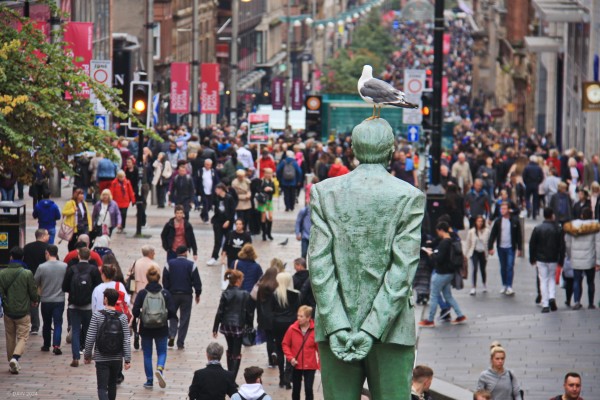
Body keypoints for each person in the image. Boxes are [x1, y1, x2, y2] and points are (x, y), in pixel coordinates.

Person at [308, 120, 425, 400]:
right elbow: (402, 271)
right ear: (391, 151)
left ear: (353, 150)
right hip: (393, 329)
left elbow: (319, 265)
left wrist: (336, 324)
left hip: (335, 324)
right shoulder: (408, 196)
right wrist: (372, 329)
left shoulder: (324, 192)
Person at [84, 288, 132, 400]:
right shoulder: (122, 317)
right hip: (116, 358)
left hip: (101, 357)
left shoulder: (97, 316)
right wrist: (127, 359)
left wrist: (87, 355)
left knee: (101, 387)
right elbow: (126, 339)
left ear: (105, 299)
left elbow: (90, 337)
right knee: (112, 385)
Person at [132, 266, 175, 389]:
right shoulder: (165, 293)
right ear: (159, 278)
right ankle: (160, 369)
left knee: (147, 354)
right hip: (161, 327)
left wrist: (141, 315)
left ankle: (149, 380)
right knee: (162, 352)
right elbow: (172, 311)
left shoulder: (142, 293)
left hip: (146, 328)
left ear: (147, 278)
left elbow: (135, 311)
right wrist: (164, 317)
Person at [419, 221, 467, 327]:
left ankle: (430, 320)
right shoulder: (451, 240)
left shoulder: (444, 243)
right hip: (450, 273)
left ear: (441, 230)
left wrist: (430, 254)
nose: (437, 234)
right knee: (448, 296)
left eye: (438, 231)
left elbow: (439, 259)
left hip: (441, 273)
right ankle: (460, 315)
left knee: (434, 295)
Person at [0, 247, 40, 374]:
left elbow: (1, 292)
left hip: (8, 311)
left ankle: (11, 360)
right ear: (22, 258)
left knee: (10, 336)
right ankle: (15, 358)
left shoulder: (2, 273)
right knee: (23, 336)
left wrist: (5, 303)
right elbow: (33, 291)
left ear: (11, 257)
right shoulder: (27, 273)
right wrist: (35, 300)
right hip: (23, 311)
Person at [62, 247, 102, 367]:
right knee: (89, 330)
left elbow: (64, 287)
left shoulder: (72, 269)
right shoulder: (93, 270)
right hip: (88, 305)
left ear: (78, 256)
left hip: (74, 305)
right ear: (89, 257)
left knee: (75, 329)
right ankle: (87, 354)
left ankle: (75, 356)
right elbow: (98, 287)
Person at [213, 269, 253, 380]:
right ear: (238, 280)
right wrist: (250, 326)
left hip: (226, 325)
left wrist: (215, 327)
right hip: (238, 325)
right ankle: (232, 377)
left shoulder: (226, 293)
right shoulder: (245, 294)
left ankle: (229, 374)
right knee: (236, 352)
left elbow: (220, 311)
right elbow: (249, 312)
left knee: (230, 349)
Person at [163, 245, 202, 349]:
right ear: (185, 253)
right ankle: (180, 342)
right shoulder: (191, 265)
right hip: (186, 295)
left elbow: (165, 280)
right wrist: (198, 294)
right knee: (185, 317)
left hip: (172, 295)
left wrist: (166, 293)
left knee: (172, 316)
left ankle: (171, 334)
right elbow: (197, 281)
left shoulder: (169, 264)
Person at [563, 207, 600, 310]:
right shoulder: (595, 227)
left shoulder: (572, 226)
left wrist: (570, 255)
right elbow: (598, 245)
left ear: (581, 215)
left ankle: (576, 301)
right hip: (590, 259)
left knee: (576, 281)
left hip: (576, 259)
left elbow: (568, 243)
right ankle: (591, 303)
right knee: (590, 282)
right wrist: (598, 261)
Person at [529, 207, 564, 313]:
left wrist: (532, 258)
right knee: (551, 278)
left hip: (541, 258)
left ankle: (545, 303)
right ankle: (552, 297)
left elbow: (532, 244)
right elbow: (562, 246)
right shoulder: (558, 229)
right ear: (552, 215)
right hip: (553, 258)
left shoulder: (538, 228)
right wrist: (561, 260)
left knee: (543, 279)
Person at [34, 244, 66, 355]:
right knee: (58, 323)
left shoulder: (42, 267)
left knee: (46, 323)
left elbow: (35, 282)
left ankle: (46, 345)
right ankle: (56, 345)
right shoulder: (64, 266)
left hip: (46, 300)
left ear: (47, 253)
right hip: (59, 299)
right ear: (56, 253)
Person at [282, 305, 319, 400]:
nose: (298, 318)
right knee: (296, 390)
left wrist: (320, 364)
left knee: (309, 389)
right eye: (298, 315)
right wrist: (290, 358)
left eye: (301, 316)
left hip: (310, 365)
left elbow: (319, 349)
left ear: (308, 318)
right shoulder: (292, 329)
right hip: (296, 365)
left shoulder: (315, 330)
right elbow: (285, 344)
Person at [270, 272, 300, 388]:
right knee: (290, 351)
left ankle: (281, 377)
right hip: (291, 324)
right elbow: (298, 310)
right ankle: (288, 377)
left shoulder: (274, 295)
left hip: (277, 324)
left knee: (280, 350)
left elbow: (271, 310)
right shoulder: (296, 295)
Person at [488, 202, 523, 296]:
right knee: (503, 267)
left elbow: (519, 236)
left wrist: (520, 248)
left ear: (508, 210)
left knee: (510, 266)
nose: (502, 211)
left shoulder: (514, 221)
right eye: (501, 209)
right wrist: (490, 247)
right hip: (501, 247)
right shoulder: (498, 221)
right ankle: (504, 284)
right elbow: (493, 235)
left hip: (510, 247)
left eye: (504, 209)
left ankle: (509, 286)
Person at [23, 228, 49, 335]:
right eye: (47, 235)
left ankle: (35, 326)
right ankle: (47, 324)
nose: (48, 236)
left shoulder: (27, 247)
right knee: (46, 302)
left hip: (31, 278)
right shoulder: (47, 248)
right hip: (44, 279)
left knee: (34, 302)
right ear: (43, 236)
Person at [256, 267, 279, 369]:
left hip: (264, 318)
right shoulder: (276, 287)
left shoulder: (261, 287)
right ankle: (276, 353)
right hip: (275, 317)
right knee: (277, 338)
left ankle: (270, 360)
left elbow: (257, 303)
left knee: (269, 339)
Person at [207, 183, 236, 266]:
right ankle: (214, 257)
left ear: (221, 189)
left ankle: (225, 256)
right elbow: (213, 208)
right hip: (218, 222)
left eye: (217, 189)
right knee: (217, 240)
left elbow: (232, 211)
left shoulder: (229, 198)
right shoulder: (216, 198)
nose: (215, 191)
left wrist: (228, 221)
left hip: (227, 222)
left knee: (228, 240)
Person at [464, 215, 490, 295]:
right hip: (474, 252)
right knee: (474, 268)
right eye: (478, 221)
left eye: (481, 221)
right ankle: (473, 287)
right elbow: (468, 243)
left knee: (482, 269)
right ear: (476, 222)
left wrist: (490, 251)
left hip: (482, 252)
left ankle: (484, 284)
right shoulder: (471, 231)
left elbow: (489, 242)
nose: (480, 223)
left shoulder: (487, 231)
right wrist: (465, 254)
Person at [523, 155, 544, 219]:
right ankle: (534, 214)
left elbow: (524, 176)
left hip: (528, 184)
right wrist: (538, 182)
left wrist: (526, 182)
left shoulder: (527, 167)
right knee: (535, 200)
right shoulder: (538, 168)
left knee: (527, 198)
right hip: (535, 185)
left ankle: (528, 207)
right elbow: (542, 177)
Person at [257, 168, 275, 241]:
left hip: (269, 201)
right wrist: (264, 189)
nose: (268, 175)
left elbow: (274, 191)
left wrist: (271, 189)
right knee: (263, 217)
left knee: (270, 217)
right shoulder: (262, 181)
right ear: (264, 174)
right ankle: (264, 234)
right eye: (267, 173)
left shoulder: (272, 181)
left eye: (270, 173)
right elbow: (258, 190)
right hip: (263, 201)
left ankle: (269, 233)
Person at [199, 159, 218, 223]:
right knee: (205, 204)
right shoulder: (201, 171)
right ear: (204, 164)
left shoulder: (213, 171)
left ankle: (202, 214)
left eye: (209, 165)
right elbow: (197, 179)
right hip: (203, 191)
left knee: (210, 205)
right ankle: (206, 218)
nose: (208, 166)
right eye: (206, 164)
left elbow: (216, 180)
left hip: (211, 191)